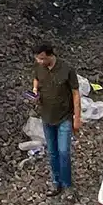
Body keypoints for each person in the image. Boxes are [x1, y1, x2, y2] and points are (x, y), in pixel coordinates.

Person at [32, 42, 81, 196]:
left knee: (64, 151)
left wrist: (77, 118)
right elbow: (36, 79)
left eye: (42, 58)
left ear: (50, 55)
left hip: (64, 117)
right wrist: (34, 90)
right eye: (37, 59)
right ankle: (55, 182)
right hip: (46, 116)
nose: (39, 61)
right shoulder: (40, 68)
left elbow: (75, 93)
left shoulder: (66, 69)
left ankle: (67, 186)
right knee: (52, 152)